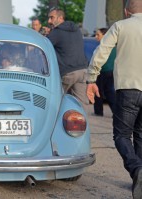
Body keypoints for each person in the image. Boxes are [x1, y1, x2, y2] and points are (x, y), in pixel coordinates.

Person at [86, 0, 142, 198]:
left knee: (121, 136)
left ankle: (136, 171)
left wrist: (92, 78)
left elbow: (101, 51)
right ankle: (139, 180)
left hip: (128, 89)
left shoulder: (120, 26)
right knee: (140, 135)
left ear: (127, 11)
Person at [46, 7, 89, 105]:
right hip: (82, 71)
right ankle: (82, 120)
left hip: (67, 72)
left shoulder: (56, 32)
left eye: (51, 18)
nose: (49, 21)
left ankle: (55, 120)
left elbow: (45, 46)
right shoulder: (76, 30)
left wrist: (48, 34)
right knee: (81, 104)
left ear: (60, 18)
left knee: (55, 102)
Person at [93, 28, 116, 116]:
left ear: (105, 35)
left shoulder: (103, 46)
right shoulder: (114, 46)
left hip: (102, 71)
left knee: (98, 91)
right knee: (109, 92)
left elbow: (97, 60)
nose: (96, 37)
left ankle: (98, 112)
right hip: (111, 71)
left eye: (98, 35)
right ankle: (116, 111)